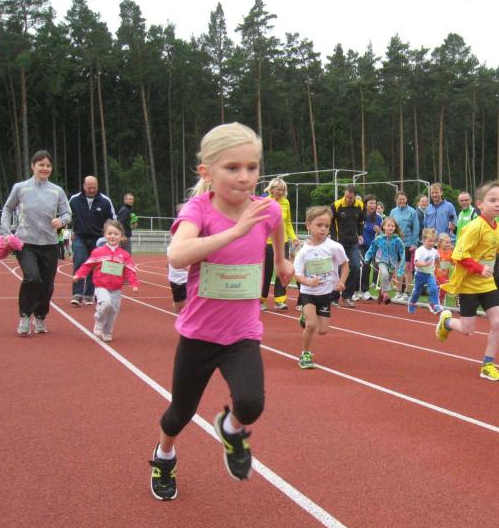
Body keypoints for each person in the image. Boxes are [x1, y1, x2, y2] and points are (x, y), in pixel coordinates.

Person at [148, 122, 294, 501]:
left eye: (252, 167)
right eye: (232, 168)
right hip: (199, 335)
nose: (244, 177)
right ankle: (164, 456)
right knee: (180, 413)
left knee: (251, 404)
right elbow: (177, 255)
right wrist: (235, 231)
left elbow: (277, 225)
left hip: (242, 334)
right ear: (207, 172)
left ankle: (230, 430)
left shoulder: (267, 209)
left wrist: (281, 260)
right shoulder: (197, 210)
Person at [436, 181, 499, 382]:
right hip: (468, 285)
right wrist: (479, 268)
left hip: (487, 284)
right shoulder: (474, 227)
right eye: (492, 200)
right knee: (467, 329)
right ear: (479, 204)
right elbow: (459, 255)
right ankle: (447, 322)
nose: (498, 204)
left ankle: (488, 364)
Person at [1, 150, 72, 335]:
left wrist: (61, 221)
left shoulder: (57, 191)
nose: (45, 168)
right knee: (32, 278)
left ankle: (40, 316)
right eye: (41, 165)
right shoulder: (20, 188)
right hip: (25, 243)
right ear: (33, 166)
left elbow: (67, 213)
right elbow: (7, 209)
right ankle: (25, 316)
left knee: (47, 285)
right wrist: (7, 233)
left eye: (48, 165)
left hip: (49, 244)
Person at [293, 206, 349, 369]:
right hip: (308, 293)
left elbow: (345, 264)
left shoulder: (334, 247)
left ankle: (305, 318)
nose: (323, 229)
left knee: (323, 330)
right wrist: (307, 282)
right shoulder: (303, 251)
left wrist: (341, 281)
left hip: (325, 294)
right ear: (308, 225)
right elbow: (297, 274)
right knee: (311, 325)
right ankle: (305, 354)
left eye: (327, 225)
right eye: (319, 225)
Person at [72, 219, 139, 342]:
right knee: (106, 304)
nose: (112, 236)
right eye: (110, 233)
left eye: (116, 234)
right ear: (104, 235)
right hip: (101, 286)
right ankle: (98, 320)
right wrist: (79, 275)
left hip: (116, 289)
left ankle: (107, 331)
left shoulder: (124, 255)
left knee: (113, 311)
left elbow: (130, 270)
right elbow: (87, 265)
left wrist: (134, 283)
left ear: (121, 236)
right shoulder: (98, 252)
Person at [69, 176, 116, 306]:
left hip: (98, 239)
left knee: (95, 266)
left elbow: (113, 219)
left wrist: (110, 234)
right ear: (84, 186)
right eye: (89, 187)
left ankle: (89, 294)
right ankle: (77, 294)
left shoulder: (105, 201)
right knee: (79, 262)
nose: (92, 190)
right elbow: (66, 215)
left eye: (94, 187)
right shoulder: (74, 199)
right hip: (80, 237)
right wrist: (69, 230)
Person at [261, 177, 299, 311]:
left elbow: (288, 223)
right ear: (272, 189)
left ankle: (280, 300)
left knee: (282, 271)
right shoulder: (265, 202)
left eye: (283, 190)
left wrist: (294, 238)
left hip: (283, 242)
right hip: (267, 242)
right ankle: (261, 300)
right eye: (278, 190)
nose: (281, 192)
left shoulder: (286, 203)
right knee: (266, 271)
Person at [329, 184, 364, 307]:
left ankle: (347, 296)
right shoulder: (336, 205)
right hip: (339, 242)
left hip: (353, 241)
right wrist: (333, 239)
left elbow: (361, 222)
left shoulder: (360, 205)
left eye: (350, 198)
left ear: (355, 196)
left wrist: (360, 234)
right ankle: (334, 297)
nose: (348, 199)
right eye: (346, 197)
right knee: (338, 269)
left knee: (355, 267)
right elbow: (330, 222)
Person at [364, 216, 406, 304]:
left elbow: (402, 252)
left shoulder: (397, 240)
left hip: (392, 263)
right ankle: (386, 294)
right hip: (381, 260)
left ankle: (381, 293)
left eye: (392, 226)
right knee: (385, 274)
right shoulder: (379, 238)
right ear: (383, 227)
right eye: (388, 225)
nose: (390, 227)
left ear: (395, 227)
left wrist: (401, 267)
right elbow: (372, 248)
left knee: (387, 280)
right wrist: (367, 257)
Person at [389, 190, 419, 302]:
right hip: (395, 243)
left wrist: (414, 243)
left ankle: (407, 292)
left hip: (408, 244)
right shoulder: (393, 211)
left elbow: (416, 228)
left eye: (403, 199)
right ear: (396, 200)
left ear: (406, 199)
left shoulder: (412, 212)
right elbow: (389, 226)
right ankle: (398, 292)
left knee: (407, 269)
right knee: (397, 268)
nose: (401, 201)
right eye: (399, 199)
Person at [407, 228, 442, 314]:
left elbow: (437, 258)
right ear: (423, 240)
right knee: (417, 291)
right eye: (429, 241)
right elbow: (416, 263)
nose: (432, 243)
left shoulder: (434, 251)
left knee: (434, 288)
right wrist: (425, 264)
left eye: (433, 241)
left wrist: (438, 267)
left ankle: (436, 305)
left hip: (430, 274)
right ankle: (412, 303)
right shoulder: (420, 250)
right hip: (420, 274)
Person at [356, 194, 381, 301]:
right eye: (371, 203)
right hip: (359, 246)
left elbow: (383, 234)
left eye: (374, 203)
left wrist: (379, 231)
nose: (373, 205)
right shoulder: (360, 216)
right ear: (365, 204)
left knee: (367, 268)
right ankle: (356, 290)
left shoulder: (378, 218)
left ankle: (364, 291)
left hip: (370, 247)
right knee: (361, 266)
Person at [168, 202, 188, 312]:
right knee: (179, 305)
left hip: (189, 276)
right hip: (176, 276)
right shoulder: (176, 227)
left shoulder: (193, 224)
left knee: (190, 303)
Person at [434, 232, 455, 308]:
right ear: (440, 243)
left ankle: (440, 301)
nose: (448, 244)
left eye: (449, 242)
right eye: (446, 242)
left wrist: (456, 263)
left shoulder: (450, 253)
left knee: (443, 289)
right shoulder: (437, 253)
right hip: (437, 275)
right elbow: (434, 264)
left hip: (445, 275)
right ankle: (439, 302)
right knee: (442, 287)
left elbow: (454, 262)